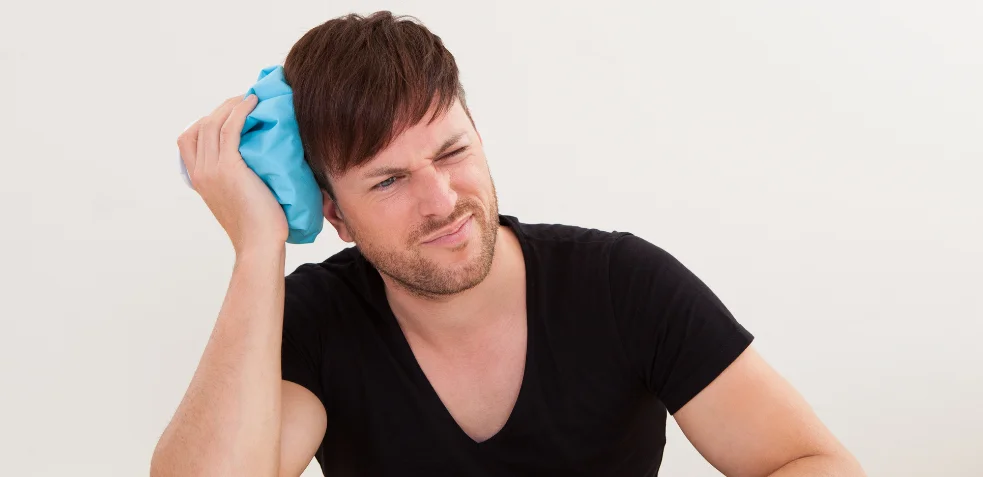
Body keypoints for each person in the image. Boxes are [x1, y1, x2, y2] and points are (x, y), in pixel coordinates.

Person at [151, 11, 865, 477]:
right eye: (389, 180)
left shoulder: (622, 284)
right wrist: (257, 246)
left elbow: (810, 460)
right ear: (334, 214)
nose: (442, 201)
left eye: (452, 150)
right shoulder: (314, 321)